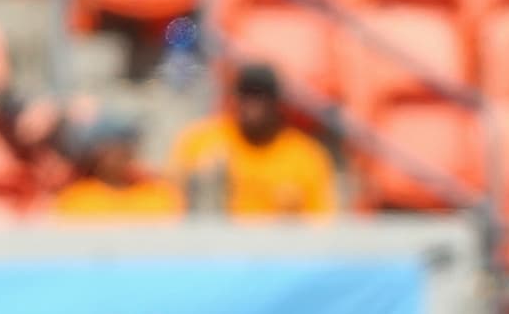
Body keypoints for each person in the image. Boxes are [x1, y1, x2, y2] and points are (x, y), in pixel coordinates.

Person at [168, 63, 336, 216]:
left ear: (277, 104)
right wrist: (200, 181)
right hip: (216, 244)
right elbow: (172, 202)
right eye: (245, 95)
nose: (251, 105)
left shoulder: (305, 155)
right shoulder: (203, 141)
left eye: (260, 96)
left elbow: (321, 224)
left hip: (278, 246)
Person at [54, 115, 184, 219]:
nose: (116, 157)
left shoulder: (158, 195)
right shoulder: (76, 199)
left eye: (122, 148)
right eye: (109, 150)